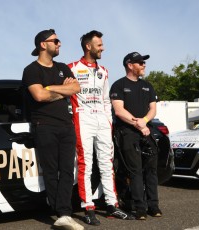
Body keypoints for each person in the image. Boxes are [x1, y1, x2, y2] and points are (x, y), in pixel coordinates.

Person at [68, 30, 134, 226]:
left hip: (102, 121)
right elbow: (65, 96)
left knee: (107, 163)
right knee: (85, 165)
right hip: (83, 119)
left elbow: (106, 99)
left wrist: (108, 120)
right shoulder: (71, 68)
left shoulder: (103, 70)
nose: (103, 48)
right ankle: (88, 207)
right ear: (88, 46)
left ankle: (112, 205)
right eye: (99, 45)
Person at [22, 29, 84, 230]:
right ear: (43, 44)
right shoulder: (31, 70)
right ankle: (62, 213)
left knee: (67, 170)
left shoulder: (62, 67)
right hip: (45, 126)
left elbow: (75, 88)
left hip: (66, 125)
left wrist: (50, 88)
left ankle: (64, 214)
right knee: (51, 171)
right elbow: (39, 96)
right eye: (55, 41)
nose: (60, 44)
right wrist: (61, 90)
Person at [109, 52, 162, 220]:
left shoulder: (147, 86)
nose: (143, 65)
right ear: (129, 65)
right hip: (128, 133)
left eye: (144, 62)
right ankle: (140, 208)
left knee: (151, 171)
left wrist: (144, 121)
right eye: (140, 63)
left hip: (146, 131)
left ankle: (153, 206)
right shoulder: (118, 85)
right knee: (135, 171)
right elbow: (119, 111)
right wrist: (137, 124)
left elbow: (153, 109)